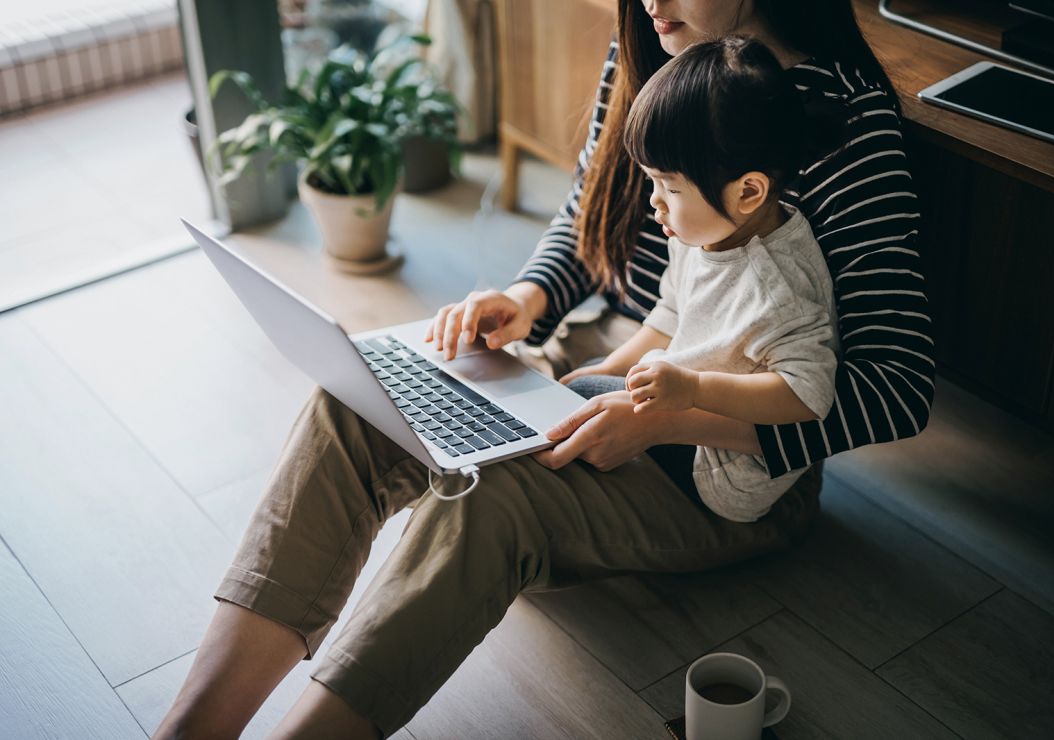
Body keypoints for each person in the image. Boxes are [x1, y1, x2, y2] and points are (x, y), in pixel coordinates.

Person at [155, 1, 933, 737]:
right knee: (359, 397)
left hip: (727, 459)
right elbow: (589, 208)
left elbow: (895, 388)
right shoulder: (652, 42)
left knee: (490, 495)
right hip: (617, 361)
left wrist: (673, 415)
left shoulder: (841, 119)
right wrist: (527, 302)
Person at [562, 36, 840, 524]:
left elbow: (806, 396)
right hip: (686, 410)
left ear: (748, 192)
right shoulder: (704, 230)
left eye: (670, 186)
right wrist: (607, 367)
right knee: (586, 376)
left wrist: (694, 389)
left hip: (724, 473)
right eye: (652, 182)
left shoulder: (778, 290)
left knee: (582, 406)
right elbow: (671, 313)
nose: (655, 201)